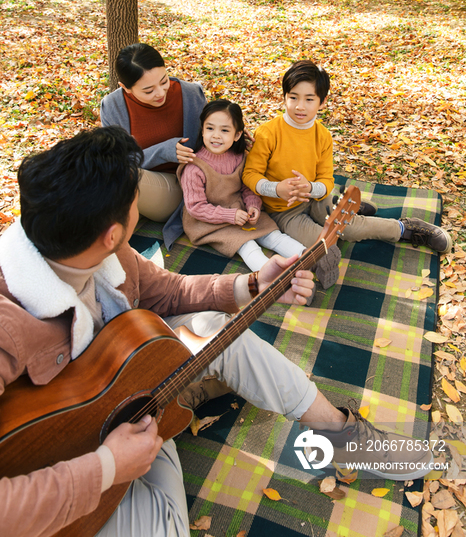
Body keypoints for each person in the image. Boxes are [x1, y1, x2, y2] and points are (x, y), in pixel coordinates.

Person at [0, 127, 434, 537]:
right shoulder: (6, 328)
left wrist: (253, 284)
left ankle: (342, 435)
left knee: (217, 331)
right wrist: (108, 467)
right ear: (111, 234)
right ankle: (188, 393)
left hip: (126, 397)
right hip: (61, 477)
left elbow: (169, 291)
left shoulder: (95, 247)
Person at [243, 61, 452, 255]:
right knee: (326, 242)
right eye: (293, 97)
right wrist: (276, 189)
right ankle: (341, 204)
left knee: (349, 229)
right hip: (283, 212)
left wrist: (310, 188)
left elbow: (326, 181)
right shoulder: (268, 133)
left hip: (315, 198)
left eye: (309, 99)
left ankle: (403, 228)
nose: (300, 106)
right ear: (284, 97)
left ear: (322, 102)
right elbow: (250, 174)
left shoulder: (322, 136)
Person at [178, 99, 340, 287]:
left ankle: (311, 257)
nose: (216, 136)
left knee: (273, 235)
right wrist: (229, 215)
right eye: (210, 128)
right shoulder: (194, 167)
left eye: (224, 130)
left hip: (240, 210)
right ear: (202, 129)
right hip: (210, 221)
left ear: (238, 135)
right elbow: (196, 207)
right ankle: (279, 282)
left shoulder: (240, 157)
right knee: (248, 245)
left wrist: (253, 205)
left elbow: (247, 187)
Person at [100, 43, 205, 250]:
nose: (160, 93)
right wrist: (163, 151)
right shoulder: (113, 106)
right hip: (139, 185)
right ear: (125, 88)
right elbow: (116, 161)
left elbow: (209, 142)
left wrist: (232, 135)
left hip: (183, 185)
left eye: (164, 81)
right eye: (148, 90)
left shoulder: (190, 94)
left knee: (123, 178)